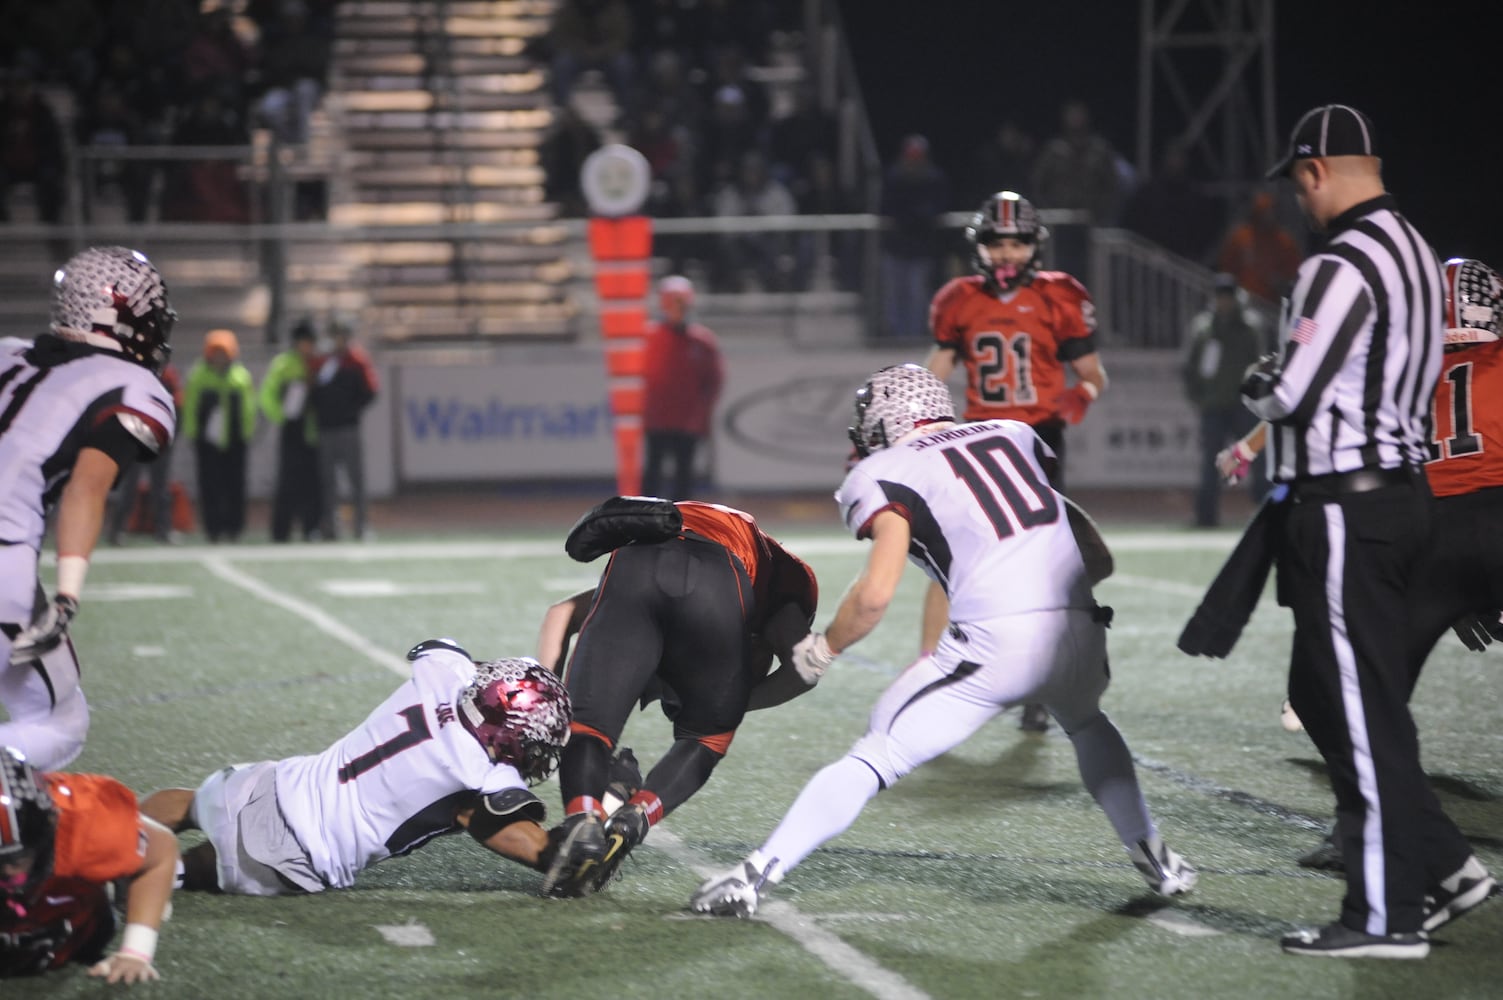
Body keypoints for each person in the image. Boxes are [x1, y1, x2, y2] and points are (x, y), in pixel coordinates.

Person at [689, 364, 1195, 917]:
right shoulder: (1011, 434)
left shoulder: (888, 469)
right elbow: (1096, 554)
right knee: (1086, 721)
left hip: (997, 643)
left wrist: (822, 649)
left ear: (887, 419)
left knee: (876, 754)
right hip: (1082, 628)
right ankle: (1157, 858)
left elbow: (875, 595)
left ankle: (754, 875)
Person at [1223, 259, 1502, 933]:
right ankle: (1364, 834)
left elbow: (1308, 405)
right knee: (1356, 698)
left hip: (1427, 535)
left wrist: (1253, 431)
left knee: (1348, 697)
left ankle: (1367, 839)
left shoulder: (1395, 359)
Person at [1248, 104, 1444, 959]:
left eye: (1297, 180)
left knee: (1356, 713)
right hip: (1405, 490)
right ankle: (1444, 872)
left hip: (1344, 499)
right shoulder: (1419, 252)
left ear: (1315, 171)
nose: (1297, 196)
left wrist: (1258, 380)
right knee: (1371, 706)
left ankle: (1382, 915)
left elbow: (1285, 393)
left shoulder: (1340, 263)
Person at [538, 496, 820, 898]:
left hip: (635, 564)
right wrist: (738, 703)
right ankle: (636, 817)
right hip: (717, 583)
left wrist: (550, 695)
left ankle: (582, 819)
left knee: (587, 725)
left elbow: (560, 613)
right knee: (705, 739)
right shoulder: (780, 582)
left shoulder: (684, 535)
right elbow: (804, 673)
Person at [139, 642, 572, 896]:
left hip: (275, 781)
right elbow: (543, 849)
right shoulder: (482, 777)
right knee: (183, 869)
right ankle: (111, 880)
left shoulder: (440, 673)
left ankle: (106, 828)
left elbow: (452, 656)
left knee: (190, 803)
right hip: (298, 851)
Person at [923, 190, 1107, 732]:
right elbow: (936, 372)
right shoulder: (959, 299)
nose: (1006, 254)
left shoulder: (1060, 296)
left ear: (1035, 246)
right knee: (953, 559)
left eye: (1017, 243)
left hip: (1038, 442)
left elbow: (1093, 373)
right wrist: (910, 414)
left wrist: (1083, 395)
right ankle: (933, 670)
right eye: (997, 243)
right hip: (980, 442)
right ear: (980, 246)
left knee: (1041, 568)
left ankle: (1040, 683)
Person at [0, 246, 176, 770]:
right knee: (59, 723)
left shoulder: (8, 352)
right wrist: (67, 597)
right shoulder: (132, 385)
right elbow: (87, 487)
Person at [1, 747, 178, 983]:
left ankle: (109, 888)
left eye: (13, 860)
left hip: (65, 900)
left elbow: (162, 852)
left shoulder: (83, 823)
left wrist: (136, 951)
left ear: (50, 823)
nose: (7, 873)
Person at [1182, 273, 1268, 526]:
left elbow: (1259, 364)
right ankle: (1206, 517)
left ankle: (1266, 511)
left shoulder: (1250, 326)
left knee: (1257, 458)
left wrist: (1256, 397)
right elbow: (1191, 367)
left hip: (1243, 406)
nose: (1225, 302)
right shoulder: (1204, 328)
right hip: (1214, 406)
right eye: (1221, 297)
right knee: (1212, 462)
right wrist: (1198, 397)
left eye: (1228, 297)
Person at [641, 276, 724, 500]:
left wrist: (701, 414)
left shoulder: (702, 341)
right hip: (657, 420)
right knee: (652, 474)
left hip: (688, 422)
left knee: (684, 476)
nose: (677, 309)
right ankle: (644, 523)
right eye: (672, 303)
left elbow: (714, 380)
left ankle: (681, 525)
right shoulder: (649, 337)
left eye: (682, 304)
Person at [182, 328, 257, 543]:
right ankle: (213, 528)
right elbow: (191, 407)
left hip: (235, 441)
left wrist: (246, 433)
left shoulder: (241, 377)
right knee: (210, 485)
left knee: (235, 484)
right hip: (207, 442)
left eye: (224, 352)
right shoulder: (199, 376)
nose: (220, 357)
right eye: (216, 352)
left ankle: (234, 528)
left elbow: (249, 407)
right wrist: (193, 434)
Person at [313, 315, 379, 541]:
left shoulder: (357, 360)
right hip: (326, 429)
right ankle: (331, 527)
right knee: (328, 481)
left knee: (356, 480)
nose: (338, 340)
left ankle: (361, 526)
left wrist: (351, 410)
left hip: (348, 429)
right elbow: (313, 390)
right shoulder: (322, 361)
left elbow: (371, 391)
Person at [879, 134, 950, 340]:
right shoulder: (894, 177)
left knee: (916, 292)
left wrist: (919, 216)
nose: (913, 160)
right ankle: (896, 334)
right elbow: (887, 208)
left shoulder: (933, 178)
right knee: (894, 294)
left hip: (920, 247)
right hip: (896, 245)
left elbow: (937, 208)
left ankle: (914, 334)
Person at [106, 361, 183, 544]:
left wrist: (170, 436)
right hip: (133, 437)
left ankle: (163, 529)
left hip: (158, 438)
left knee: (160, 486)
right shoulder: (130, 373)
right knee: (128, 486)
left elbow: (177, 407)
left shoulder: (168, 375)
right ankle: (117, 530)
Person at [262, 318, 321, 542]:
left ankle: (311, 527)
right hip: (292, 430)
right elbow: (267, 395)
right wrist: (282, 416)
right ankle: (281, 531)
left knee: (313, 481)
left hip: (313, 430)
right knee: (288, 481)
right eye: (306, 341)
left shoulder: (317, 363)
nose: (309, 346)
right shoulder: (283, 364)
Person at [1216, 190, 1302, 306]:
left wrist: (1280, 281)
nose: (1268, 216)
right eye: (1264, 212)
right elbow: (1227, 267)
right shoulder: (1241, 237)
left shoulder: (1283, 241)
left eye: (1270, 212)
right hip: (1244, 299)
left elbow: (1294, 272)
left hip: (1272, 302)